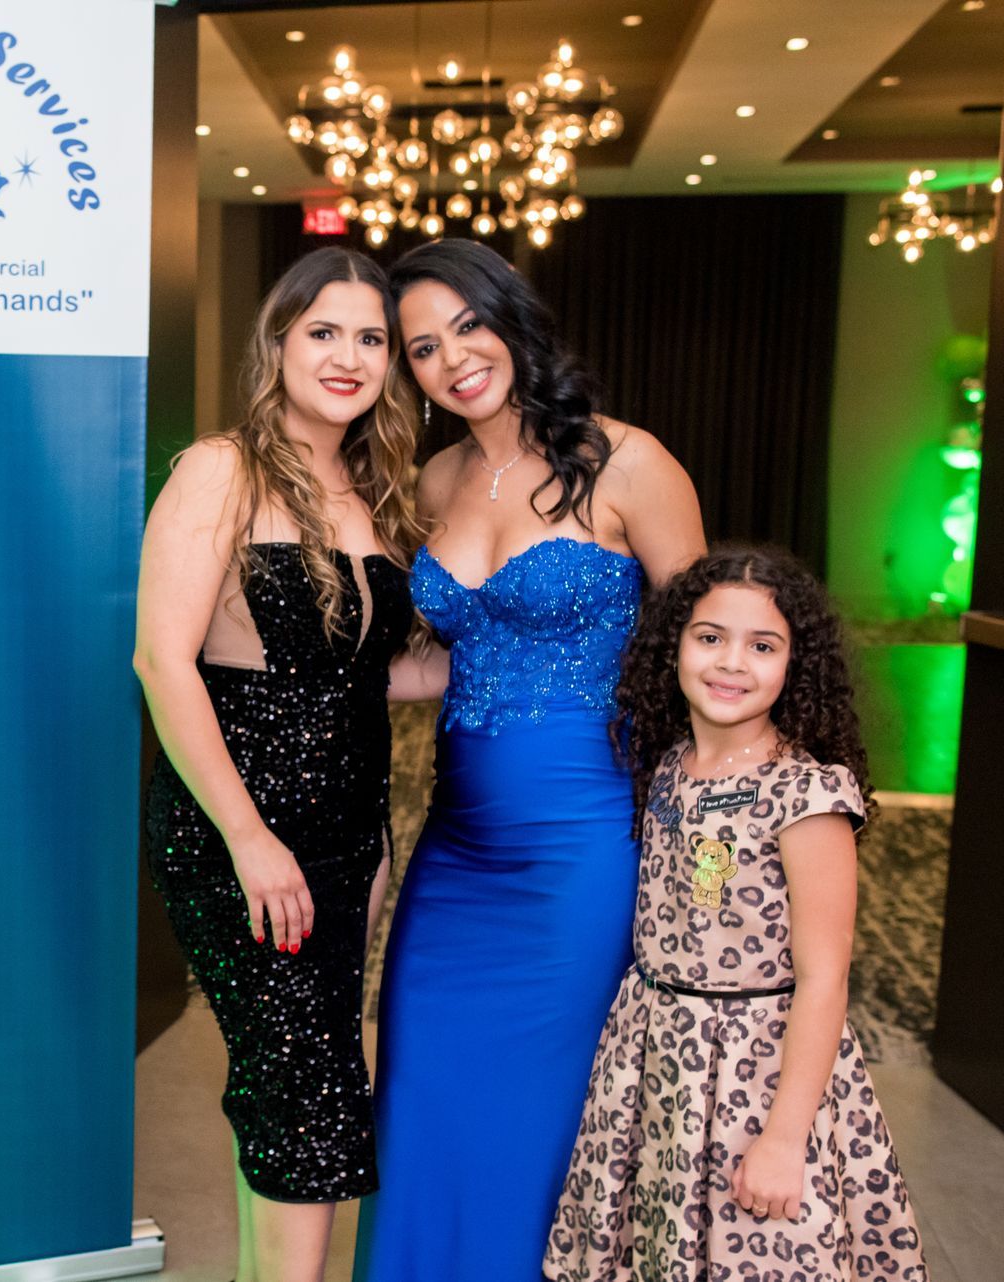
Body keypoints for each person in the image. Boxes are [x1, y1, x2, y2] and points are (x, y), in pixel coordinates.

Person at [358, 238, 705, 1279]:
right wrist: (280, 678)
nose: (452, 357)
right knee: (419, 1100)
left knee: (541, 1121)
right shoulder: (436, 477)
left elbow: (703, 650)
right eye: (422, 347)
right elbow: (441, 665)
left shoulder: (629, 463)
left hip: (582, 849)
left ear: (512, 318)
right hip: (456, 854)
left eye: (468, 324)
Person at [134, 246, 426, 1282]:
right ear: (279, 341)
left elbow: (374, 674)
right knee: (307, 1093)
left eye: (372, 338)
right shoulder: (222, 467)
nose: (349, 356)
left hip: (347, 839)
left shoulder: (376, 491)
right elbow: (162, 660)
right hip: (238, 832)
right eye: (325, 331)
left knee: (293, 1080)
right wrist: (250, 838)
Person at [545, 546, 928, 1281]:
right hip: (657, 1061)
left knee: (760, 1254)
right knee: (660, 1248)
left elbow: (824, 978)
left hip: (761, 1071)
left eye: (763, 646)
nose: (731, 663)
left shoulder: (805, 796)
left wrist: (785, 1139)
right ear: (674, 646)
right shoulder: (665, 766)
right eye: (709, 637)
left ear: (796, 666)